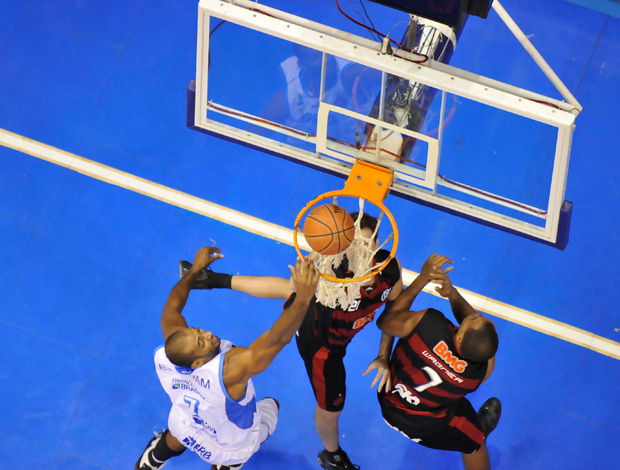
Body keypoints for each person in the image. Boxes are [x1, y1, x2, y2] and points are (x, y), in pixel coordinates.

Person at [179, 213, 404, 470]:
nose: (361, 250)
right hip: (321, 344)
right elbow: (302, 274)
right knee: (331, 407)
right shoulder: (327, 268)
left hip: (331, 323)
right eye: (353, 244)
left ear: (377, 244)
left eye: (367, 244)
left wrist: (384, 354)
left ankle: (209, 279)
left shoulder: (389, 267)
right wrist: (322, 249)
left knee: (290, 290)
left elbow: (396, 310)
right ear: (342, 243)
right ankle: (333, 455)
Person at [135, 247, 320, 470]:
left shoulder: (172, 352)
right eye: (202, 341)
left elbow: (172, 305)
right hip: (232, 446)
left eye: (198, 330)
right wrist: (303, 298)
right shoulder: (229, 371)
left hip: (187, 423)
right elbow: (277, 339)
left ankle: (154, 458)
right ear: (197, 363)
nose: (208, 334)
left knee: (181, 433)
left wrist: (194, 271)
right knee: (272, 406)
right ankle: (227, 465)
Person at [375, 254, 501, 470]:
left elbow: (385, 322)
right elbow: (478, 343)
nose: (476, 313)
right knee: (474, 443)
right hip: (430, 424)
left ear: (460, 338)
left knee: (476, 439)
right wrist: (453, 295)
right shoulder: (479, 373)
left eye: (475, 317)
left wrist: (423, 278)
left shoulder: (427, 324)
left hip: (389, 403)